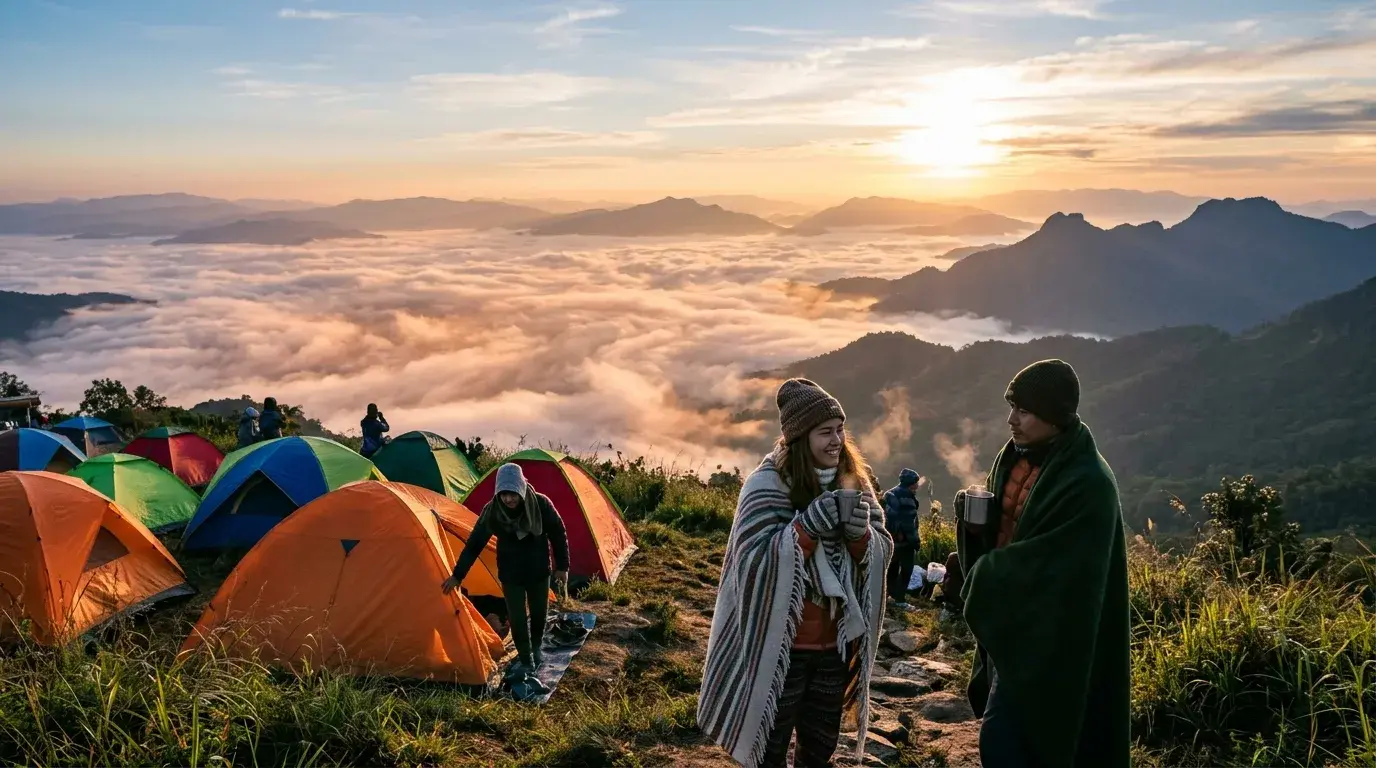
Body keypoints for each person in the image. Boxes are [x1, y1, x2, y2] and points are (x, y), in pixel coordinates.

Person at [698, 378, 893, 768]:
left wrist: (859, 537)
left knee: (819, 751)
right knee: (768, 749)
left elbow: (881, 548)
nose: (837, 440)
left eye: (840, 429)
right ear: (800, 439)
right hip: (780, 651)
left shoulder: (853, 481)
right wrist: (806, 529)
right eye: (825, 432)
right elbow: (751, 564)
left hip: (834, 650)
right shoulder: (764, 486)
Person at [955, 359, 1130, 768]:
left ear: (1055, 417)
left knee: (1010, 741)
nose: (1011, 419)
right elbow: (1011, 526)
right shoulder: (1016, 456)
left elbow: (1059, 565)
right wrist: (973, 524)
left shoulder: (1089, 483)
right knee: (1007, 738)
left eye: (1024, 410)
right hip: (1012, 622)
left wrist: (987, 574)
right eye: (1012, 406)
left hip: (1051, 638)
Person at [442, 463, 569, 673]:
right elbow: (474, 544)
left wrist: (562, 566)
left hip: (538, 571)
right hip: (511, 574)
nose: (508, 499)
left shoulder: (540, 504)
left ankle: (536, 648)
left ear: (520, 487)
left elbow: (558, 532)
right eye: (503, 494)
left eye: (513, 494)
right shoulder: (492, 511)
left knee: (539, 614)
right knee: (517, 619)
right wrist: (458, 575)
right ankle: (526, 657)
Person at [883, 468, 923, 609]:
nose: (917, 485)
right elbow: (908, 523)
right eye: (916, 483)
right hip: (904, 540)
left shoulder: (890, 493)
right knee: (907, 569)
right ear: (910, 483)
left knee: (892, 567)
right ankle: (899, 599)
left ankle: (887, 595)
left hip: (891, 539)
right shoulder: (906, 497)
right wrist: (915, 541)